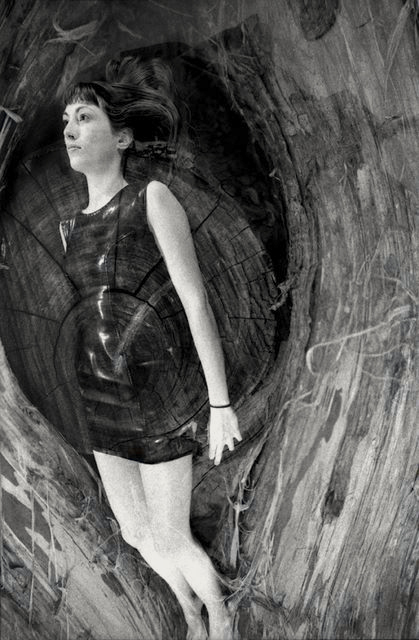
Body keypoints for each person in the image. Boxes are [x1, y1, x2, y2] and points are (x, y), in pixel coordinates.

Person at [60, 55, 242, 640]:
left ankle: (220, 615)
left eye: (84, 117)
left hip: (159, 397)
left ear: (122, 136)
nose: (70, 128)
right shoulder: (70, 225)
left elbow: (195, 300)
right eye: (67, 118)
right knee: (137, 532)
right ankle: (188, 608)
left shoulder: (152, 199)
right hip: (100, 399)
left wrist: (219, 405)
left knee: (168, 534)